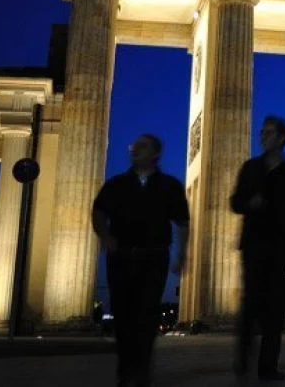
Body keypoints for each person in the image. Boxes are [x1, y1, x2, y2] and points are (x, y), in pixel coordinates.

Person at [91, 133, 189, 387]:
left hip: (153, 257)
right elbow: (99, 211)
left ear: (155, 154)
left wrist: (182, 253)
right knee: (123, 316)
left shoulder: (169, 186)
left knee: (147, 316)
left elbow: (182, 222)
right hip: (121, 256)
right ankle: (126, 372)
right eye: (134, 145)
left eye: (142, 146)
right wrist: (105, 235)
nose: (134, 149)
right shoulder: (116, 184)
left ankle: (142, 370)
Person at [231, 115, 285, 381]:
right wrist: (249, 203)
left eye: (269, 132)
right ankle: (242, 359)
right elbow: (234, 202)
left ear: (282, 138)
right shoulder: (249, 168)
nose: (262, 135)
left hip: (281, 246)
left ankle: (268, 366)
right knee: (250, 304)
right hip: (254, 244)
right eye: (262, 131)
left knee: (275, 309)